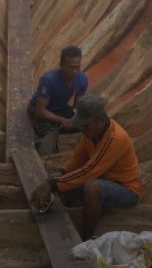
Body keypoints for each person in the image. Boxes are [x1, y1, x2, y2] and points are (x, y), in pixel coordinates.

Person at [31, 95, 140, 238]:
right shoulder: (91, 132)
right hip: (101, 178)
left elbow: (89, 171)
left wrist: (51, 184)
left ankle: (87, 238)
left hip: (125, 188)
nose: (82, 129)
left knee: (92, 187)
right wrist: (60, 173)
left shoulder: (115, 138)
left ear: (100, 120)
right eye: (81, 124)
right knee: (63, 180)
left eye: (85, 125)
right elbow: (77, 158)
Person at [29, 45, 88, 157]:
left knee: (89, 123)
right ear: (61, 65)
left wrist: (75, 118)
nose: (75, 72)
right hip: (41, 109)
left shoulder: (82, 79)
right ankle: (45, 158)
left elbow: (77, 107)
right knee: (51, 133)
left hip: (60, 109)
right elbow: (40, 111)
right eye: (70, 67)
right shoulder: (49, 80)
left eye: (77, 67)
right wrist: (63, 121)